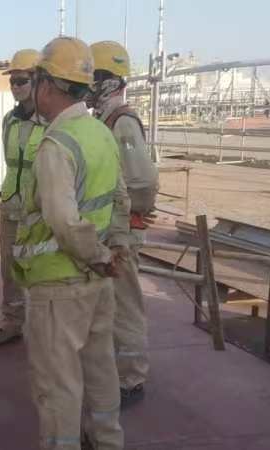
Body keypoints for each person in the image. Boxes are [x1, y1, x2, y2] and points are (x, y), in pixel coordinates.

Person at [12, 37, 129, 450]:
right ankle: (107, 441)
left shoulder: (56, 144)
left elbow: (63, 221)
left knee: (58, 385)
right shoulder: (99, 132)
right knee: (100, 370)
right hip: (98, 282)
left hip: (60, 284)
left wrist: (98, 256)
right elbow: (120, 200)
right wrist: (114, 250)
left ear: (47, 84)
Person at [90, 40, 159, 408]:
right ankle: (115, 372)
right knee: (111, 306)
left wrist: (133, 217)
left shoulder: (122, 122)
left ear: (110, 80)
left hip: (123, 234)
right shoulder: (104, 120)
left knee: (126, 307)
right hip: (111, 231)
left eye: (93, 76)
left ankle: (131, 379)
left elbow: (143, 181)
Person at [0, 49, 44, 350]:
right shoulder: (9, 120)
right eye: (13, 81)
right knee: (9, 270)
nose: (16, 87)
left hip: (40, 211)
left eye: (22, 81)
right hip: (10, 207)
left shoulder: (51, 122)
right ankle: (12, 323)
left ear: (38, 81)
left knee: (42, 270)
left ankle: (44, 330)